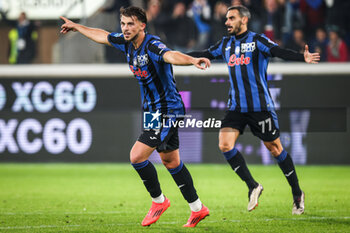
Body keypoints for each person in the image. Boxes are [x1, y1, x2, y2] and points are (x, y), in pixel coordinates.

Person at [60, 6, 210, 227]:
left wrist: (191, 60)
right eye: (123, 23)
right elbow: (103, 35)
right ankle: (198, 208)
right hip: (151, 112)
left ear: (142, 25)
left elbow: (170, 55)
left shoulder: (152, 44)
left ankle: (159, 201)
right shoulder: (126, 42)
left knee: (137, 156)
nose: (125, 28)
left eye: (130, 23)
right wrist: (77, 26)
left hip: (168, 110)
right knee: (170, 161)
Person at [188, 5, 320, 215]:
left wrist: (300, 57)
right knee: (224, 144)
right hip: (236, 108)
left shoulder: (257, 41)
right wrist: (174, 57)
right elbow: (203, 54)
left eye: (231, 18)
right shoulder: (225, 44)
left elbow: (278, 51)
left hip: (260, 108)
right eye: (226, 18)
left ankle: (297, 193)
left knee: (275, 149)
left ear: (244, 20)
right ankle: (253, 186)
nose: (227, 22)